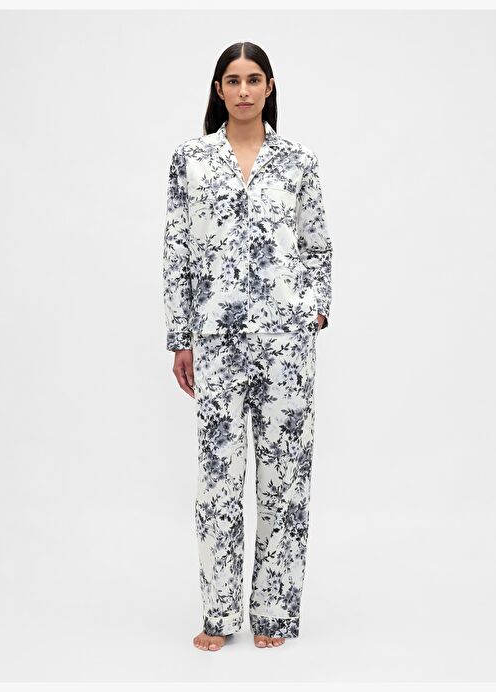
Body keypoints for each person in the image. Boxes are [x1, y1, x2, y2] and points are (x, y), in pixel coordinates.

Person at [163, 41, 333, 651]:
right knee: (218, 480)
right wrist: (180, 338)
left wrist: (313, 311)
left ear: (269, 87)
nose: (243, 90)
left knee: (285, 477)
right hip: (217, 343)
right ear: (219, 90)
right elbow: (177, 250)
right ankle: (219, 614)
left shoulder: (298, 161)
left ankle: (275, 614)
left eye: (253, 79)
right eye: (232, 80)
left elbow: (317, 245)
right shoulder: (190, 161)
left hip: (286, 346)